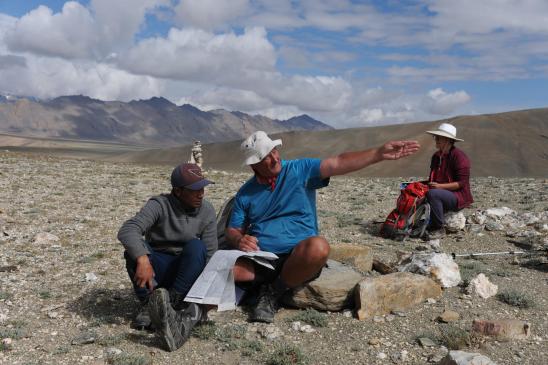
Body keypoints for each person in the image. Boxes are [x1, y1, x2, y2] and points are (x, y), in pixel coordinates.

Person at [226, 131, 420, 323]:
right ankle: (273, 283)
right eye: (265, 157)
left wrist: (378, 154)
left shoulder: (299, 169)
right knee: (229, 270)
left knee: (319, 248)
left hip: (299, 254)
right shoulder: (245, 193)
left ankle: (271, 293)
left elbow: (337, 162)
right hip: (263, 257)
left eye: (274, 151)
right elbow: (233, 229)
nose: (274, 158)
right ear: (254, 165)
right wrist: (239, 239)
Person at [117, 163, 217, 351]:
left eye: (203, 187)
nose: (201, 194)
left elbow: (211, 254)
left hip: (185, 272)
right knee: (134, 252)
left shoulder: (207, 210)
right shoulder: (159, 205)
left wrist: (207, 292)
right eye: (195, 189)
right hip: (157, 268)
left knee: (197, 247)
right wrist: (143, 258)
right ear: (178, 191)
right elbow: (128, 230)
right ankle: (149, 304)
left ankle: (174, 302)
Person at [425, 123, 473, 234]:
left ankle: (438, 228)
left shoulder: (459, 157)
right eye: (435, 137)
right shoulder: (436, 156)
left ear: (448, 140)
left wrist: (439, 187)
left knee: (433, 194)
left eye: (439, 137)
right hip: (441, 191)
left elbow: (461, 183)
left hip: (458, 196)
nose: (436, 139)